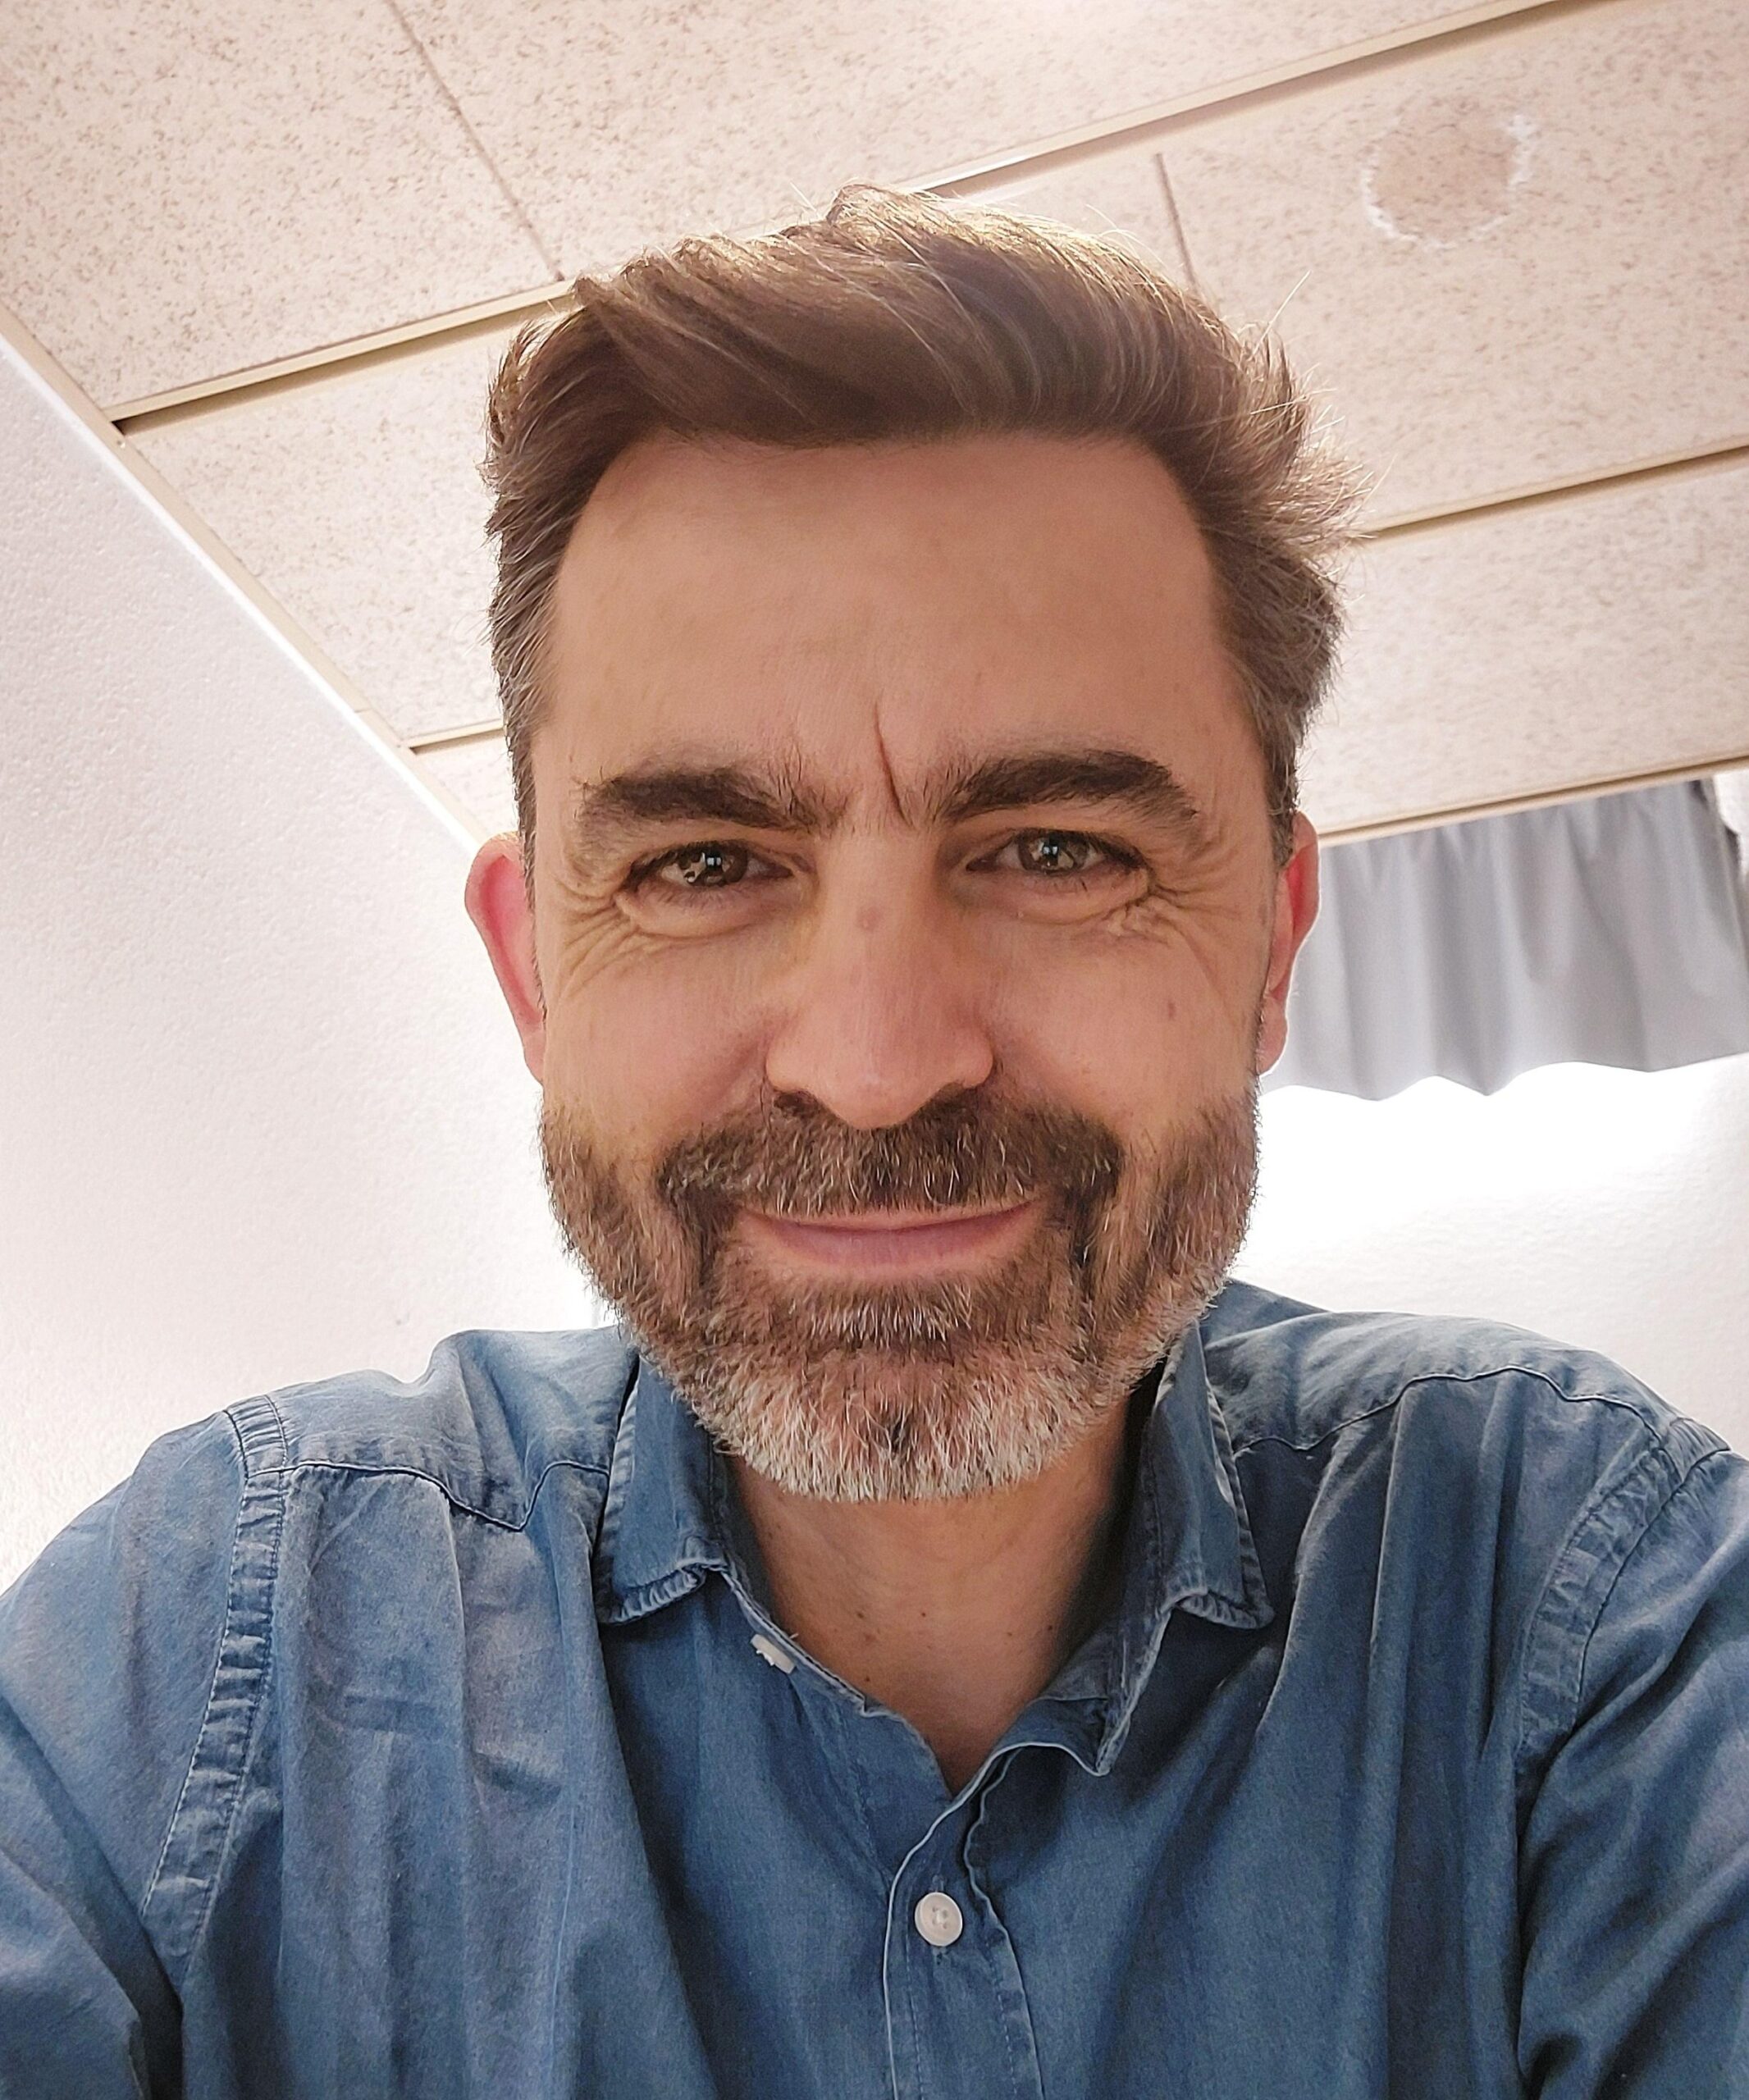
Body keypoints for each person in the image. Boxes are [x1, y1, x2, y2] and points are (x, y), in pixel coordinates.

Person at [1, 186, 1743, 2100]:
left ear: (1269, 941)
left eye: (1056, 850)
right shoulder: (214, 1635)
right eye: (704, 863)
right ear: (533, 971)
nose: (876, 1064)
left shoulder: (1593, 1605)